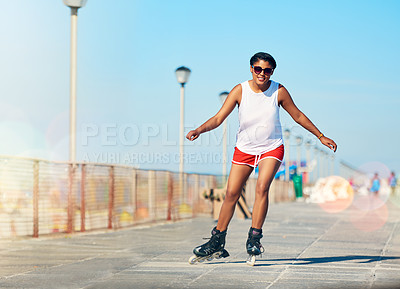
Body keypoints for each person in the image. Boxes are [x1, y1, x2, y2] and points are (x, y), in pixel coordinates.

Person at [186, 52, 337, 265]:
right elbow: (219, 118)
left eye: (267, 71)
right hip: (245, 148)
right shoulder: (240, 90)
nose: (262, 74)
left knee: (261, 188)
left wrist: (320, 136)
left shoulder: (279, 91)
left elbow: (298, 115)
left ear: (272, 72)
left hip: (271, 148)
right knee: (231, 193)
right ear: (251, 69)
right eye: (258, 69)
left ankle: (254, 238)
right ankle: (217, 241)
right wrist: (199, 129)